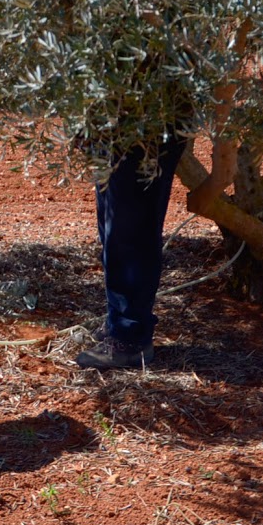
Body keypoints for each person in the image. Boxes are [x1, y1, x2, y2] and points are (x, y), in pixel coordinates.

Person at [74, 139, 187, 369]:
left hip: (144, 134)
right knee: (112, 227)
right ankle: (117, 324)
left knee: (131, 231)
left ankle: (131, 340)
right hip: (117, 132)